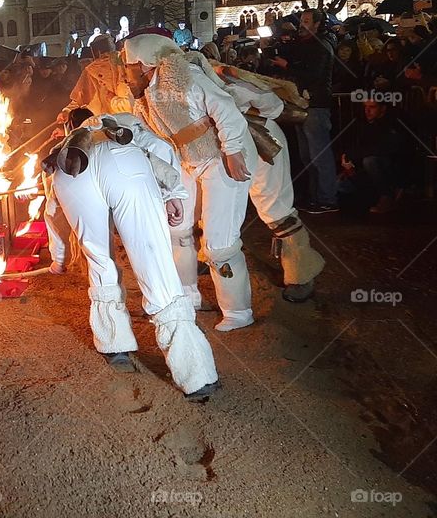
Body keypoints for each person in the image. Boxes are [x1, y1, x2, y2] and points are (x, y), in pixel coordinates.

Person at [46, 113, 219, 399]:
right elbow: (161, 149)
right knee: (154, 261)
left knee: (100, 259)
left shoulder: (63, 149)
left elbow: (52, 212)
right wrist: (172, 192)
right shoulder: (121, 119)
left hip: (72, 173)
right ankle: (196, 376)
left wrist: (59, 257)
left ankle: (115, 346)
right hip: (124, 162)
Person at [122, 28, 258, 332]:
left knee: (219, 242)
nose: (127, 73)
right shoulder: (144, 95)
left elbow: (224, 108)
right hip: (187, 160)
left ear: (145, 62)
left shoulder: (187, 78)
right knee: (178, 229)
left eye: (130, 66)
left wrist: (233, 149)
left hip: (219, 157)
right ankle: (187, 295)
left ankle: (238, 311)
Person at [211, 62, 325, 302]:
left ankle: (300, 271)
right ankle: (207, 260)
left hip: (262, 141)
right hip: (213, 147)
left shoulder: (226, 80)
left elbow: (273, 108)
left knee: (275, 206)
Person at [274, 9, 338, 213]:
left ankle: (328, 198)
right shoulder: (303, 45)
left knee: (319, 153)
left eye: (307, 21)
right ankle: (315, 196)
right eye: (302, 20)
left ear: (318, 24)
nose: (302, 24)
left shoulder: (322, 46)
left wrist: (288, 66)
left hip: (316, 104)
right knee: (307, 155)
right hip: (302, 104)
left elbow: (314, 75)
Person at [338, 100, 404, 213]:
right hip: (366, 171)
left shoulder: (392, 125)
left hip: (390, 170)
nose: (367, 111)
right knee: (338, 185)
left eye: (372, 107)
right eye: (365, 107)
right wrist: (348, 168)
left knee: (370, 161)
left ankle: (386, 196)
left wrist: (352, 156)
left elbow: (382, 150)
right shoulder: (364, 124)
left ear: (382, 108)